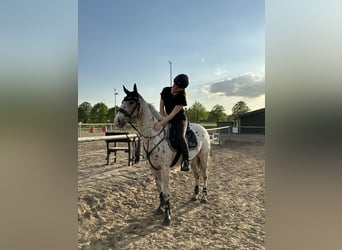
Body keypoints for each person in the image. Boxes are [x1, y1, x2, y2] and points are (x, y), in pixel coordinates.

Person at [153, 73, 190, 171]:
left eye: (177, 87)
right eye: (174, 84)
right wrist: (161, 118)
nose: (174, 87)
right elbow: (161, 107)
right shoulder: (165, 90)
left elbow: (173, 114)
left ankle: (187, 160)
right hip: (166, 116)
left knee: (180, 137)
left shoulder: (182, 97)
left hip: (179, 119)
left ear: (182, 89)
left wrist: (161, 123)